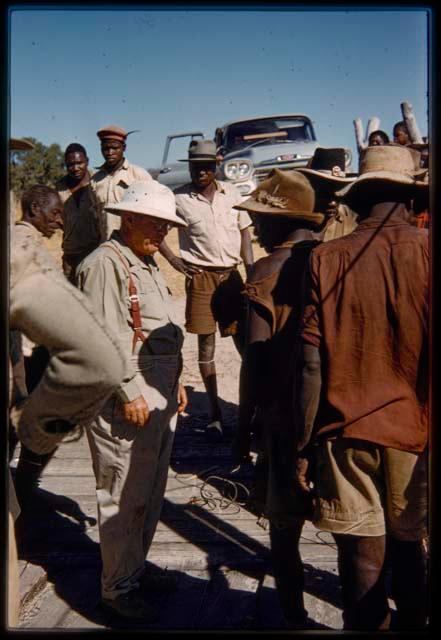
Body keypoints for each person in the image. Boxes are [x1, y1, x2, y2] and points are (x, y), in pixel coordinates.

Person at [297, 144, 429, 630]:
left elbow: (311, 366)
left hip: (344, 432)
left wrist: (303, 442)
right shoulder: (428, 252)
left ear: (361, 196)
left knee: (363, 556)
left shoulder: (326, 258)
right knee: (410, 546)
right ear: (413, 200)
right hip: (414, 434)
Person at [9, 181, 127, 627]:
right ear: (35, 209)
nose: (61, 219)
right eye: (54, 212)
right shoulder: (25, 247)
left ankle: (24, 511)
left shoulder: (26, 241)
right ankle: (20, 522)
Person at [77, 180, 188, 622]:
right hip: (126, 397)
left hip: (154, 391)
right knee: (123, 493)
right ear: (128, 218)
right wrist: (128, 391)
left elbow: (149, 331)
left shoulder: (141, 260)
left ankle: (133, 570)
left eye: (166, 226)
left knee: (148, 490)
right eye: (156, 223)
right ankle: (117, 590)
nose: (163, 232)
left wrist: (174, 381)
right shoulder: (105, 264)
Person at [234, 169, 325, 628]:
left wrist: (242, 421)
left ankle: (293, 616)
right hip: (331, 414)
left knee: (284, 529)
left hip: (280, 415)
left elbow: (255, 356)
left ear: (277, 222)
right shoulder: (333, 260)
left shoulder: (264, 270)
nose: (255, 228)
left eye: (259, 219)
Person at [159, 139, 254, 441]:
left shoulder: (232, 194)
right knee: (206, 348)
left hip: (232, 279)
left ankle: (251, 412)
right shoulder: (179, 199)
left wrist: (252, 276)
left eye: (206, 166)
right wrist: (173, 259)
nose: (200, 171)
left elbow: (245, 236)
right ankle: (214, 415)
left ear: (216, 165)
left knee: (246, 346)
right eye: (195, 166)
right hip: (200, 279)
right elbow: (157, 227)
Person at [91, 124, 152, 241]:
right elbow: (96, 217)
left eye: (115, 148)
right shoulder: (95, 180)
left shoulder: (139, 175)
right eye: (105, 148)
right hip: (107, 246)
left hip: (135, 246)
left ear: (124, 148)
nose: (109, 152)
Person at [56, 143, 100, 284]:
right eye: (70, 164)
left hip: (97, 250)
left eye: (80, 163)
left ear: (87, 161)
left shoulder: (98, 181)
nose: (75, 168)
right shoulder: (60, 187)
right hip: (71, 253)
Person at [297, 147, 358, 241]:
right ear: (311, 188)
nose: (332, 203)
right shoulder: (296, 221)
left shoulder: (352, 222)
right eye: (325, 193)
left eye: (337, 194)